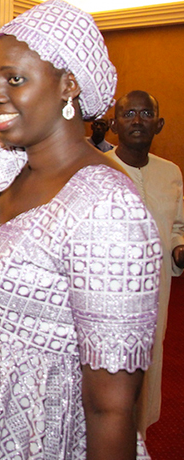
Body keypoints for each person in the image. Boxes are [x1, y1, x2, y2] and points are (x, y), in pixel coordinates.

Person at [0, 1, 161, 459]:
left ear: (69, 84)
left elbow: (111, 407)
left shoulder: (106, 206)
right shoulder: (6, 172)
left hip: (40, 427)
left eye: (15, 79)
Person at [107, 90, 184, 437]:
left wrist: (179, 249)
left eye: (145, 114)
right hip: (106, 296)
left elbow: (179, 228)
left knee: (148, 366)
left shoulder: (171, 173)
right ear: (113, 124)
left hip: (156, 295)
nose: (137, 121)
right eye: (128, 114)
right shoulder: (96, 168)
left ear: (159, 124)